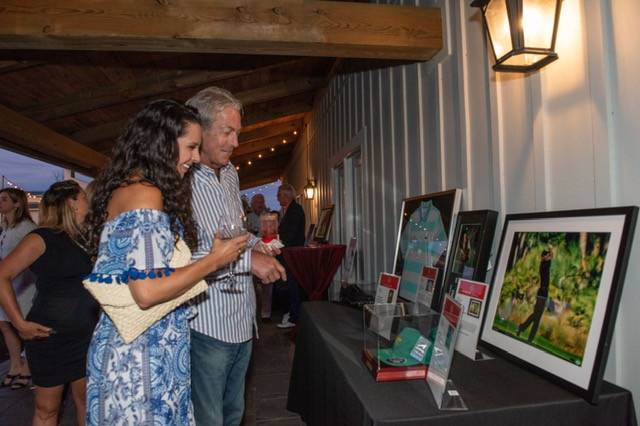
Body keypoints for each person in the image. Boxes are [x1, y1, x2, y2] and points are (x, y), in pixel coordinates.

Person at [83, 99, 249, 425]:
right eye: (190, 147)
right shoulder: (146, 193)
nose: (196, 158)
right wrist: (214, 261)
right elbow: (146, 290)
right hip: (139, 358)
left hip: (148, 348)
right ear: (162, 141)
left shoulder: (131, 187)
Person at [186, 86, 286, 426]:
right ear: (199, 128)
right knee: (208, 419)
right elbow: (183, 258)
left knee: (234, 414)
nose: (236, 143)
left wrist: (258, 243)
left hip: (244, 319)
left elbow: (234, 233)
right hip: (206, 325)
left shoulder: (231, 174)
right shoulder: (179, 178)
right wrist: (248, 261)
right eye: (227, 132)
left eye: (238, 133)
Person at [0, 180, 98, 425]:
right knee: (47, 409)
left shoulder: (85, 238)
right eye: (84, 198)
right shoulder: (41, 238)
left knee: (87, 403)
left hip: (86, 335)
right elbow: (2, 275)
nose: (89, 202)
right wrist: (19, 323)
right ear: (72, 203)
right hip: (50, 337)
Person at [0, 188, 37, 389]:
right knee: (5, 324)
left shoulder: (27, 228)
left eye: (4, 199)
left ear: (17, 203)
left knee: (23, 325)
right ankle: (14, 365)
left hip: (24, 284)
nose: (0, 203)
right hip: (7, 284)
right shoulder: (6, 227)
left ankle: (28, 368)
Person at [275, 183, 306, 329]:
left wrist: (275, 243)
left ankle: (294, 318)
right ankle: (290, 313)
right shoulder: (287, 210)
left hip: (292, 254)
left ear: (286, 196)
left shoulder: (295, 210)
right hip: (288, 254)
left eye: (279, 195)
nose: (277, 197)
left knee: (292, 286)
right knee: (288, 286)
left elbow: (291, 236)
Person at [518, 248, 554, 343]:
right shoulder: (544, 264)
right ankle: (524, 331)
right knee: (537, 317)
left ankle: (523, 330)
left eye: (548, 255)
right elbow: (551, 256)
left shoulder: (545, 263)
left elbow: (551, 256)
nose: (548, 257)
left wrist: (549, 251)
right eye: (546, 256)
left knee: (536, 316)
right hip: (542, 293)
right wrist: (550, 249)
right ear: (543, 257)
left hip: (543, 293)